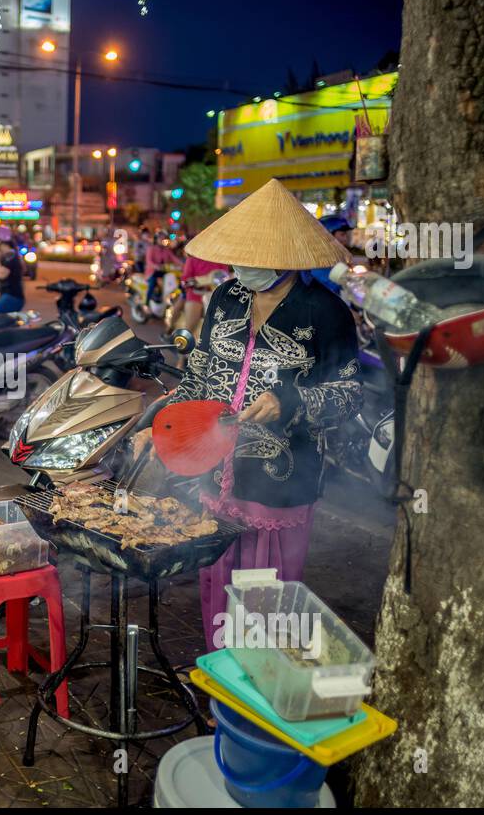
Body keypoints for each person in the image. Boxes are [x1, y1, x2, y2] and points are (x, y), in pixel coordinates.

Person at [131, 179, 362, 649]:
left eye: (253, 256)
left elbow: (350, 393)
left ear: (283, 257)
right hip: (214, 472)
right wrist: (164, 427)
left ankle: (261, 686)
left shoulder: (326, 312)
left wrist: (289, 402)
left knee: (266, 597)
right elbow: (198, 376)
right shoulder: (225, 299)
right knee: (218, 582)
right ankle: (224, 671)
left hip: (281, 477)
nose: (241, 266)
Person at [0, 227, 25, 315]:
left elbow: (1, 274)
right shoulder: (10, 254)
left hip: (12, 297)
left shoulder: (10, 256)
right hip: (10, 296)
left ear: (0, 242)